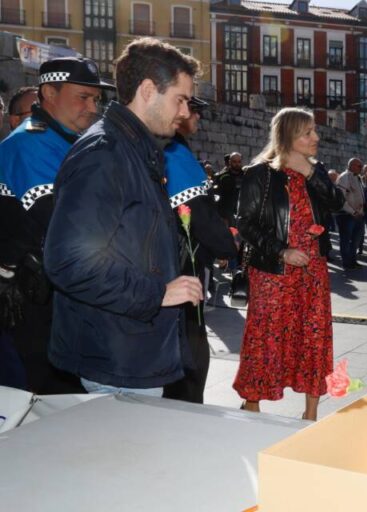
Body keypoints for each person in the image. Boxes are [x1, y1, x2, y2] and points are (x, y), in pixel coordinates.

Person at [43, 37, 204, 395]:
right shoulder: (105, 153)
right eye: (180, 99)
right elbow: (68, 261)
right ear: (148, 90)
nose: (184, 111)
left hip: (129, 349)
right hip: (115, 359)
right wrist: (157, 293)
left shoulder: (135, 149)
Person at [0, 57, 114, 394]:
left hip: (58, 300)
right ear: (49, 92)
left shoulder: (66, 140)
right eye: (83, 97)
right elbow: (65, 222)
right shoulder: (30, 142)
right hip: (34, 306)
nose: (92, 107)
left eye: (96, 99)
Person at [234, 107, 344, 421]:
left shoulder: (316, 170)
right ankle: (253, 405)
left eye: (314, 131)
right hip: (273, 273)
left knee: (314, 339)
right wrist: (282, 251)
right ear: (289, 135)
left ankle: (310, 413)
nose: (316, 137)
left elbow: (338, 204)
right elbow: (246, 224)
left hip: (314, 272)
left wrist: (310, 173)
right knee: (265, 338)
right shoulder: (260, 173)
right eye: (308, 132)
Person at [162, 96, 238, 403]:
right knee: (191, 354)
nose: (198, 120)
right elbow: (197, 213)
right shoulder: (176, 153)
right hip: (182, 268)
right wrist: (227, 244)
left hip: (169, 264)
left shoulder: (168, 148)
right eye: (196, 112)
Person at [335, 157, 366, 269]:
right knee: (346, 239)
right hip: (347, 215)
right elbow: (341, 199)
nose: (361, 168)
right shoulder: (344, 177)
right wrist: (353, 212)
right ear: (351, 165)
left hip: (358, 215)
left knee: (356, 240)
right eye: (359, 166)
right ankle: (347, 263)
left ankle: (352, 260)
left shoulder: (358, 178)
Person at [213, 151, 244, 227]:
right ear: (229, 162)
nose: (237, 164)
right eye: (234, 162)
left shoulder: (246, 176)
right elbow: (216, 196)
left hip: (242, 213)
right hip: (226, 214)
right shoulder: (222, 177)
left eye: (239, 162)